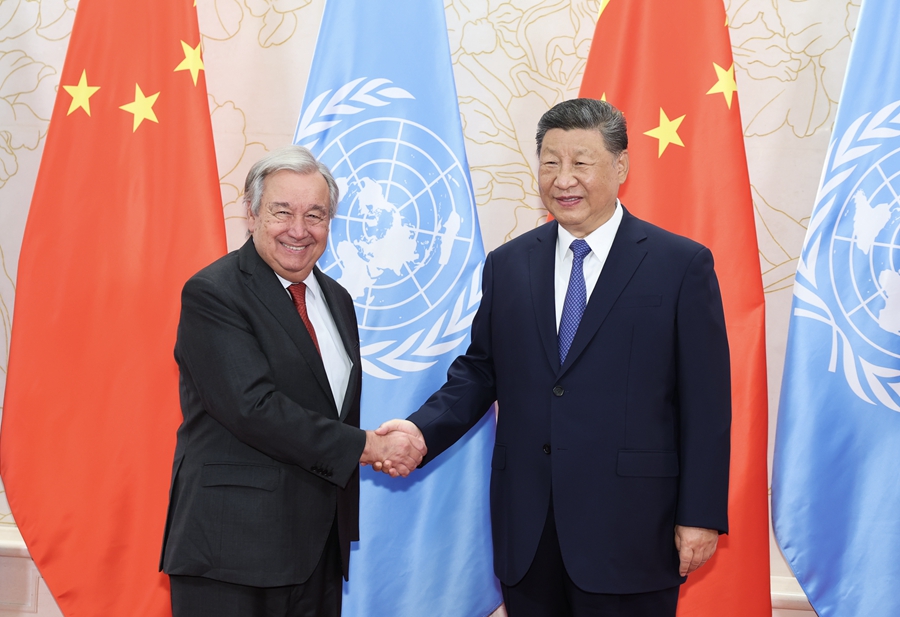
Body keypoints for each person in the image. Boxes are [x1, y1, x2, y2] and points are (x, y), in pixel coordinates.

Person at [377, 99, 731, 616]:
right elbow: (481, 371)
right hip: (529, 531)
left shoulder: (680, 265)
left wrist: (699, 514)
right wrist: (420, 431)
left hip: (633, 530)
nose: (564, 179)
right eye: (550, 162)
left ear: (621, 166)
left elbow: (706, 401)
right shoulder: (507, 264)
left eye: (581, 162)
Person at [159, 146, 425, 617]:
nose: (299, 230)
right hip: (232, 553)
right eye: (282, 212)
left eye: (315, 215)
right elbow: (252, 408)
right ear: (252, 213)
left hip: (318, 550)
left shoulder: (337, 299)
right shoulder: (214, 293)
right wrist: (370, 446)